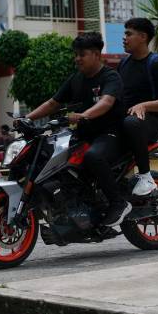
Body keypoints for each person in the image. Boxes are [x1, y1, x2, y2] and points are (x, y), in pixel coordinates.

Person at [22, 32, 129, 228]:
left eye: (82, 54)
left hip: (110, 134)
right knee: (52, 156)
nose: (77, 58)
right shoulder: (76, 79)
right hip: (83, 135)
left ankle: (118, 203)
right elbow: (52, 103)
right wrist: (26, 118)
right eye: (76, 54)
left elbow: (106, 102)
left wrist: (83, 115)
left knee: (93, 156)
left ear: (96, 54)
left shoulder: (110, 76)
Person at [117, 17, 158, 196]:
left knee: (131, 123)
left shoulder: (155, 64)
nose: (124, 38)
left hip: (152, 122)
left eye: (129, 34)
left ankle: (145, 176)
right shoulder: (123, 64)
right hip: (127, 120)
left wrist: (144, 106)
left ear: (143, 37)